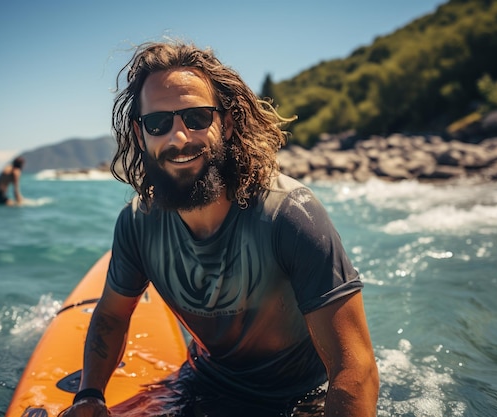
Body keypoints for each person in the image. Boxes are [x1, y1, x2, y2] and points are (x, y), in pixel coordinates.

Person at [62, 40, 379, 417]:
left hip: (305, 398)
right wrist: (90, 396)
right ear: (140, 134)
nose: (179, 138)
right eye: (158, 123)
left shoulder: (290, 215)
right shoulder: (137, 223)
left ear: (226, 124)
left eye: (196, 118)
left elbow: (354, 368)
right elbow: (113, 315)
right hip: (203, 385)